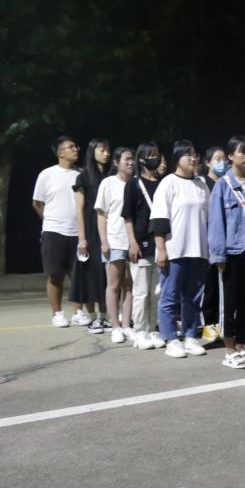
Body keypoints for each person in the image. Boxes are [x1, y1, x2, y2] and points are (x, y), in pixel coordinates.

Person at [150, 140, 212, 359]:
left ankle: (191, 335)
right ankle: (170, 338)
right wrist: (161, 249)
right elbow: (159, 220)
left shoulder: (202, 184)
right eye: (188, 154)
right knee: (170, 296)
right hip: (174, 250)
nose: (193, 158)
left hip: (198, 250)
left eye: (195, 154)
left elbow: (209, 218)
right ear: (177, 158)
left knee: (193, 298)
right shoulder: (168, 183)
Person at [209, 136, 245, 370]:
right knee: (229, 303)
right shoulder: (223, 185)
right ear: (230, 156)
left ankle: (242, 345)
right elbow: (216, 221)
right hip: (232, 252)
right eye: (242, 152)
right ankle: (229, 349)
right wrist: (218, 255)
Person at [32, 136, 82, 327]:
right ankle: (58, 314)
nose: (76, 149)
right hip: (54, 231)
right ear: (60, 152)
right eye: (71, 147)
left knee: (77, 275)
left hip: (78, 232)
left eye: (76, 146)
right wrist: (50, 222)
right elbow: (37, 203)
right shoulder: (47, 174)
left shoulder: (81, 174)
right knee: (55, 274)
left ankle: (78, 312)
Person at [123, 141, 165, 350]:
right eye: (150, 155)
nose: (154, 158)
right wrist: (132, 242)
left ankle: (153, 328)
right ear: (141, 159)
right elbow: (128, 216)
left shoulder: (164, 182)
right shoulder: (133, 184)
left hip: (161, 244)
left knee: (157, 291)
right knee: (141, 292)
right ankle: (140, 331)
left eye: (156, 154)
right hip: (141, 244)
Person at [95, 146, 136, 344]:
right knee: (113, 284)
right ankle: (115, 327)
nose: (131, 162)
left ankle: (126, 325)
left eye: (132, 159)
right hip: (115, 240)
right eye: (127, 159)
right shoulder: (108, 183)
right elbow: (101, 214)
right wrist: (104, 241)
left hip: (133, 241)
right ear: (116, 162)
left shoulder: (136, 183)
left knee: (129, 285)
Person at [73, 138, 111, 333]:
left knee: (106, 273)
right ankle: (92, 317)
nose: (106, 153)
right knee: (89, 273)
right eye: (102, 150)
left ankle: (104, 316)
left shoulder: (111, 175)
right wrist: (82, 238)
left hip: (109, 227)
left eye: (108, 150)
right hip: (89, 228)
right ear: (92, 152)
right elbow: (79, 209)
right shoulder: (83, 177)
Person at [200, 145, 227, 341]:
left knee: (222, 287)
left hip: (226, 241)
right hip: (209, 242)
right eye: (217, 159)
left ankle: (223, 325)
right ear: (207, 162)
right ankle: (209, 326)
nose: (222, 162)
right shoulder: (203, 184)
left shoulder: (227, 182)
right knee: (210, 287)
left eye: (224, 159)